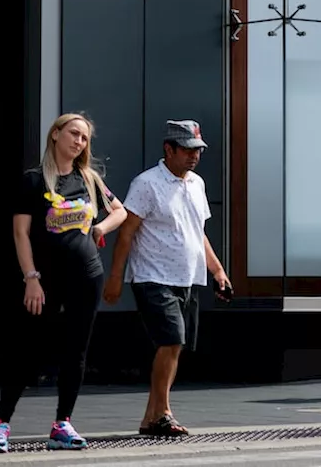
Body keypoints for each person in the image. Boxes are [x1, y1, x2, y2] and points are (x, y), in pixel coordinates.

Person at [0, 114, 128, 453]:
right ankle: (2, 425)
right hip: (45, 280)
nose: (79, 141)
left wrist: (100, 228)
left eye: (84, 137)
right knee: (26, 349)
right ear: (55, 135)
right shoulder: (34, 181)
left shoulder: (89, 179)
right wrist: (31, 278)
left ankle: (62, 424)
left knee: (76, 350)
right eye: (73, 134)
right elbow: (20, 233)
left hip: (86, 276)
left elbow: (121, 211)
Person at [104, 120, 230, 437]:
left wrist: (217, 270)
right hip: (152, 276)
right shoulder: (147, 184)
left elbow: (197, 233)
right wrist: (115, 278)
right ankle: (164, 413)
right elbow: (126, 233)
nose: (193, 156)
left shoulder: (197, 184)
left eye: (197, 150)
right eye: (187, 150)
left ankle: (150, 419)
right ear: (169, 149)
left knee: (174, 346)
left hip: (187, 277)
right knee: (172, 340)